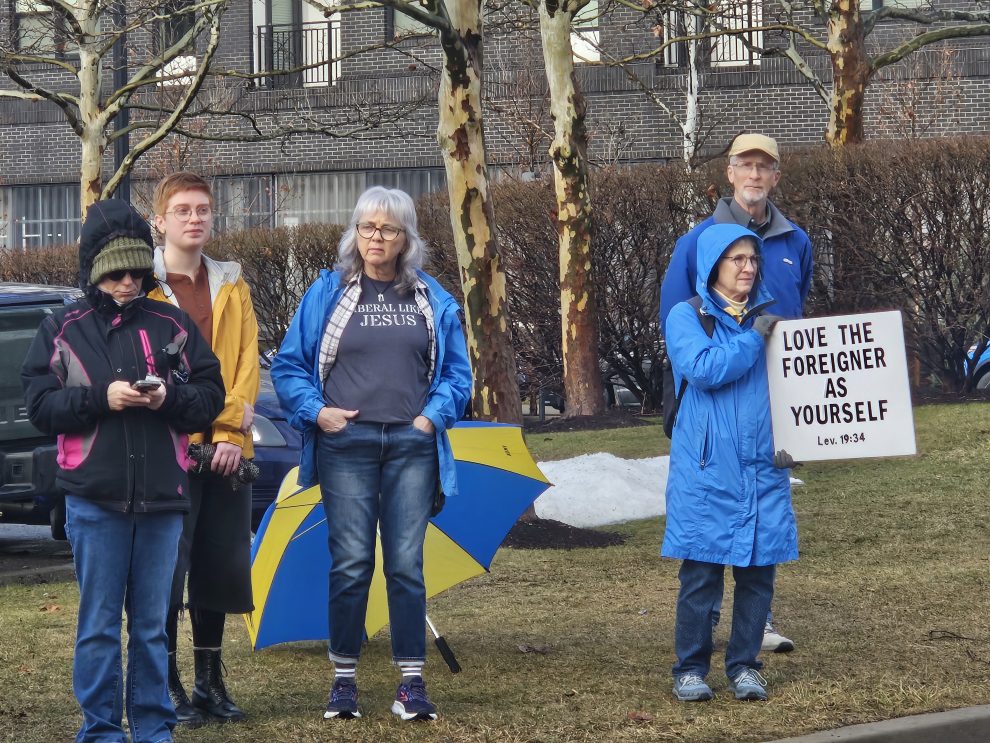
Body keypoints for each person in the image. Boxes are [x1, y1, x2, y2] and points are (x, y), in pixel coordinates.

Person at [21, 199, 224, 743]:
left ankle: (154, 731)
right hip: (94, 499)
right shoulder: (62, 328)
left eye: (137, 270)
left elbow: (211, 396)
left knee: (154, 628)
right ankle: (102, 731)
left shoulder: (172, 323)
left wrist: (169, 399)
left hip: (162, 498)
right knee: (98, 628)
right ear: (94, 268)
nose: (128, 281)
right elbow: (40, 407)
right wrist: (98, 400)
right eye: (116, 272)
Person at [271, 186, 472, 722]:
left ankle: (412, 683)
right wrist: (321, 413)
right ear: (353, 233)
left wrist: (430, 418)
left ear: (406, 237)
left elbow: (457, 374)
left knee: (406, 565)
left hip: (412, 446)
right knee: (353, 563)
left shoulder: (431, 297)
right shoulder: (327, 293)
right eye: (365, 227)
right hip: (346, 446)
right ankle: (343, 683)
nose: (374, 238)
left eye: (386, 229)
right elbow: (289, 367)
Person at [660, 132, 812, 653]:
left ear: (775, 175)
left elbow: (796, 322)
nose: (754, 175)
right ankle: (697, 653)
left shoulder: (796, 241)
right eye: (745, 165)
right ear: (729, 172)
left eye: (764, 166)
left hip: (769, 413)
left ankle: (754, 635)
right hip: (712, 415)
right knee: (706, 547)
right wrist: (680, 400)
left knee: (761, 538)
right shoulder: (696, 241)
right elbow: (683, 330)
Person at [663, 223, 798, 703]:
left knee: (758, 573)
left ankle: (744, 665)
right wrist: (752, 339)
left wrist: (801, 435)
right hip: (707, 470)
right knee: (701, 574)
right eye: (737, 258)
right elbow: (703, 370)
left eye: (753, 259)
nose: (748, 267)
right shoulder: (687, 316)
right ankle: (690, 668)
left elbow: (795, 391)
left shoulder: (771, 321)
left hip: (764, 466)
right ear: (713, 265)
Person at [148, 172, 260, 726]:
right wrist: (193, 432)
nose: (195, 219)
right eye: (184, 210)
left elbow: (244, 368)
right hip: (166, 450)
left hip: (225, 455)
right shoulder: (142, 289)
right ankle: (164, 684)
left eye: (204, 210)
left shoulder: (233, 286)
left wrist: (228, 437)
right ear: (160, 220)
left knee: (218, 568)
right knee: (168, 572)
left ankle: (210, 682)